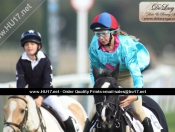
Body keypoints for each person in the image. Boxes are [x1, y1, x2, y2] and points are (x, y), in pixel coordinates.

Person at [83, 12, 153, 132]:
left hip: (127, 76)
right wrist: (97, 89)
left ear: (112, 33)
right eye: (98, 34)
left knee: (138, 110)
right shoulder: (94, 45)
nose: (101, 38)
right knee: (93, 111)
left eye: (104, 34)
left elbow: (136, 73)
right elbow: (93, 70)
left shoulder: (126, 46)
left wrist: (136, 94)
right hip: (107, 77)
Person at [16, 30, 79, 132]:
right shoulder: (20, 62)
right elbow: (20, 82)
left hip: (46, 95)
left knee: (62, 113)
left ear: (39, 46)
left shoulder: (45, 60)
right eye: (26, 44)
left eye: (32, 44)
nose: (29, 46)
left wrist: (40, 98)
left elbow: (47, 82)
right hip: (29, 96)